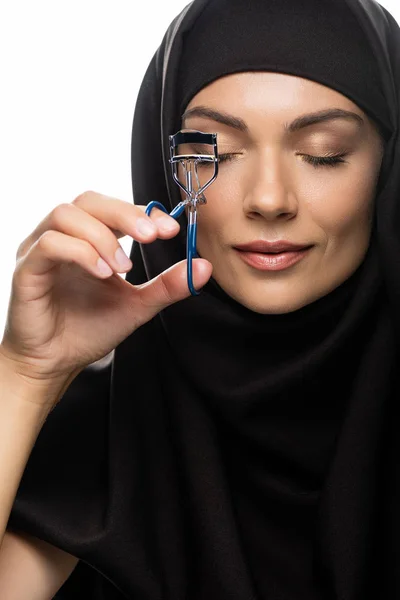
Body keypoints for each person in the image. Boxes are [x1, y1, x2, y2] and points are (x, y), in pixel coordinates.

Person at [0, 0, 399, 597]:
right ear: (166, 167)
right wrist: (25, 374)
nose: (269, 198)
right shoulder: (101, 431)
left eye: (323, 151)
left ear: (389, 167)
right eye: (216, 152)